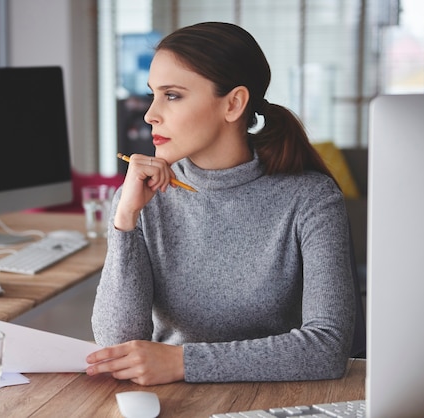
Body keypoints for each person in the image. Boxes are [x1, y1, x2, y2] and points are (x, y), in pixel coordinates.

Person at [85, 22, 355, 386]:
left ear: (233, 103)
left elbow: (328, 348)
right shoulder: (141, 199)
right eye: (152, 94)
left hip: (276, 400)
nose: (150, 114)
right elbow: (117, 345)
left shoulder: (311, 199)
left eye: (173, 95)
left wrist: (183, 362)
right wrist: (125, 218)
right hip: (171, 402)